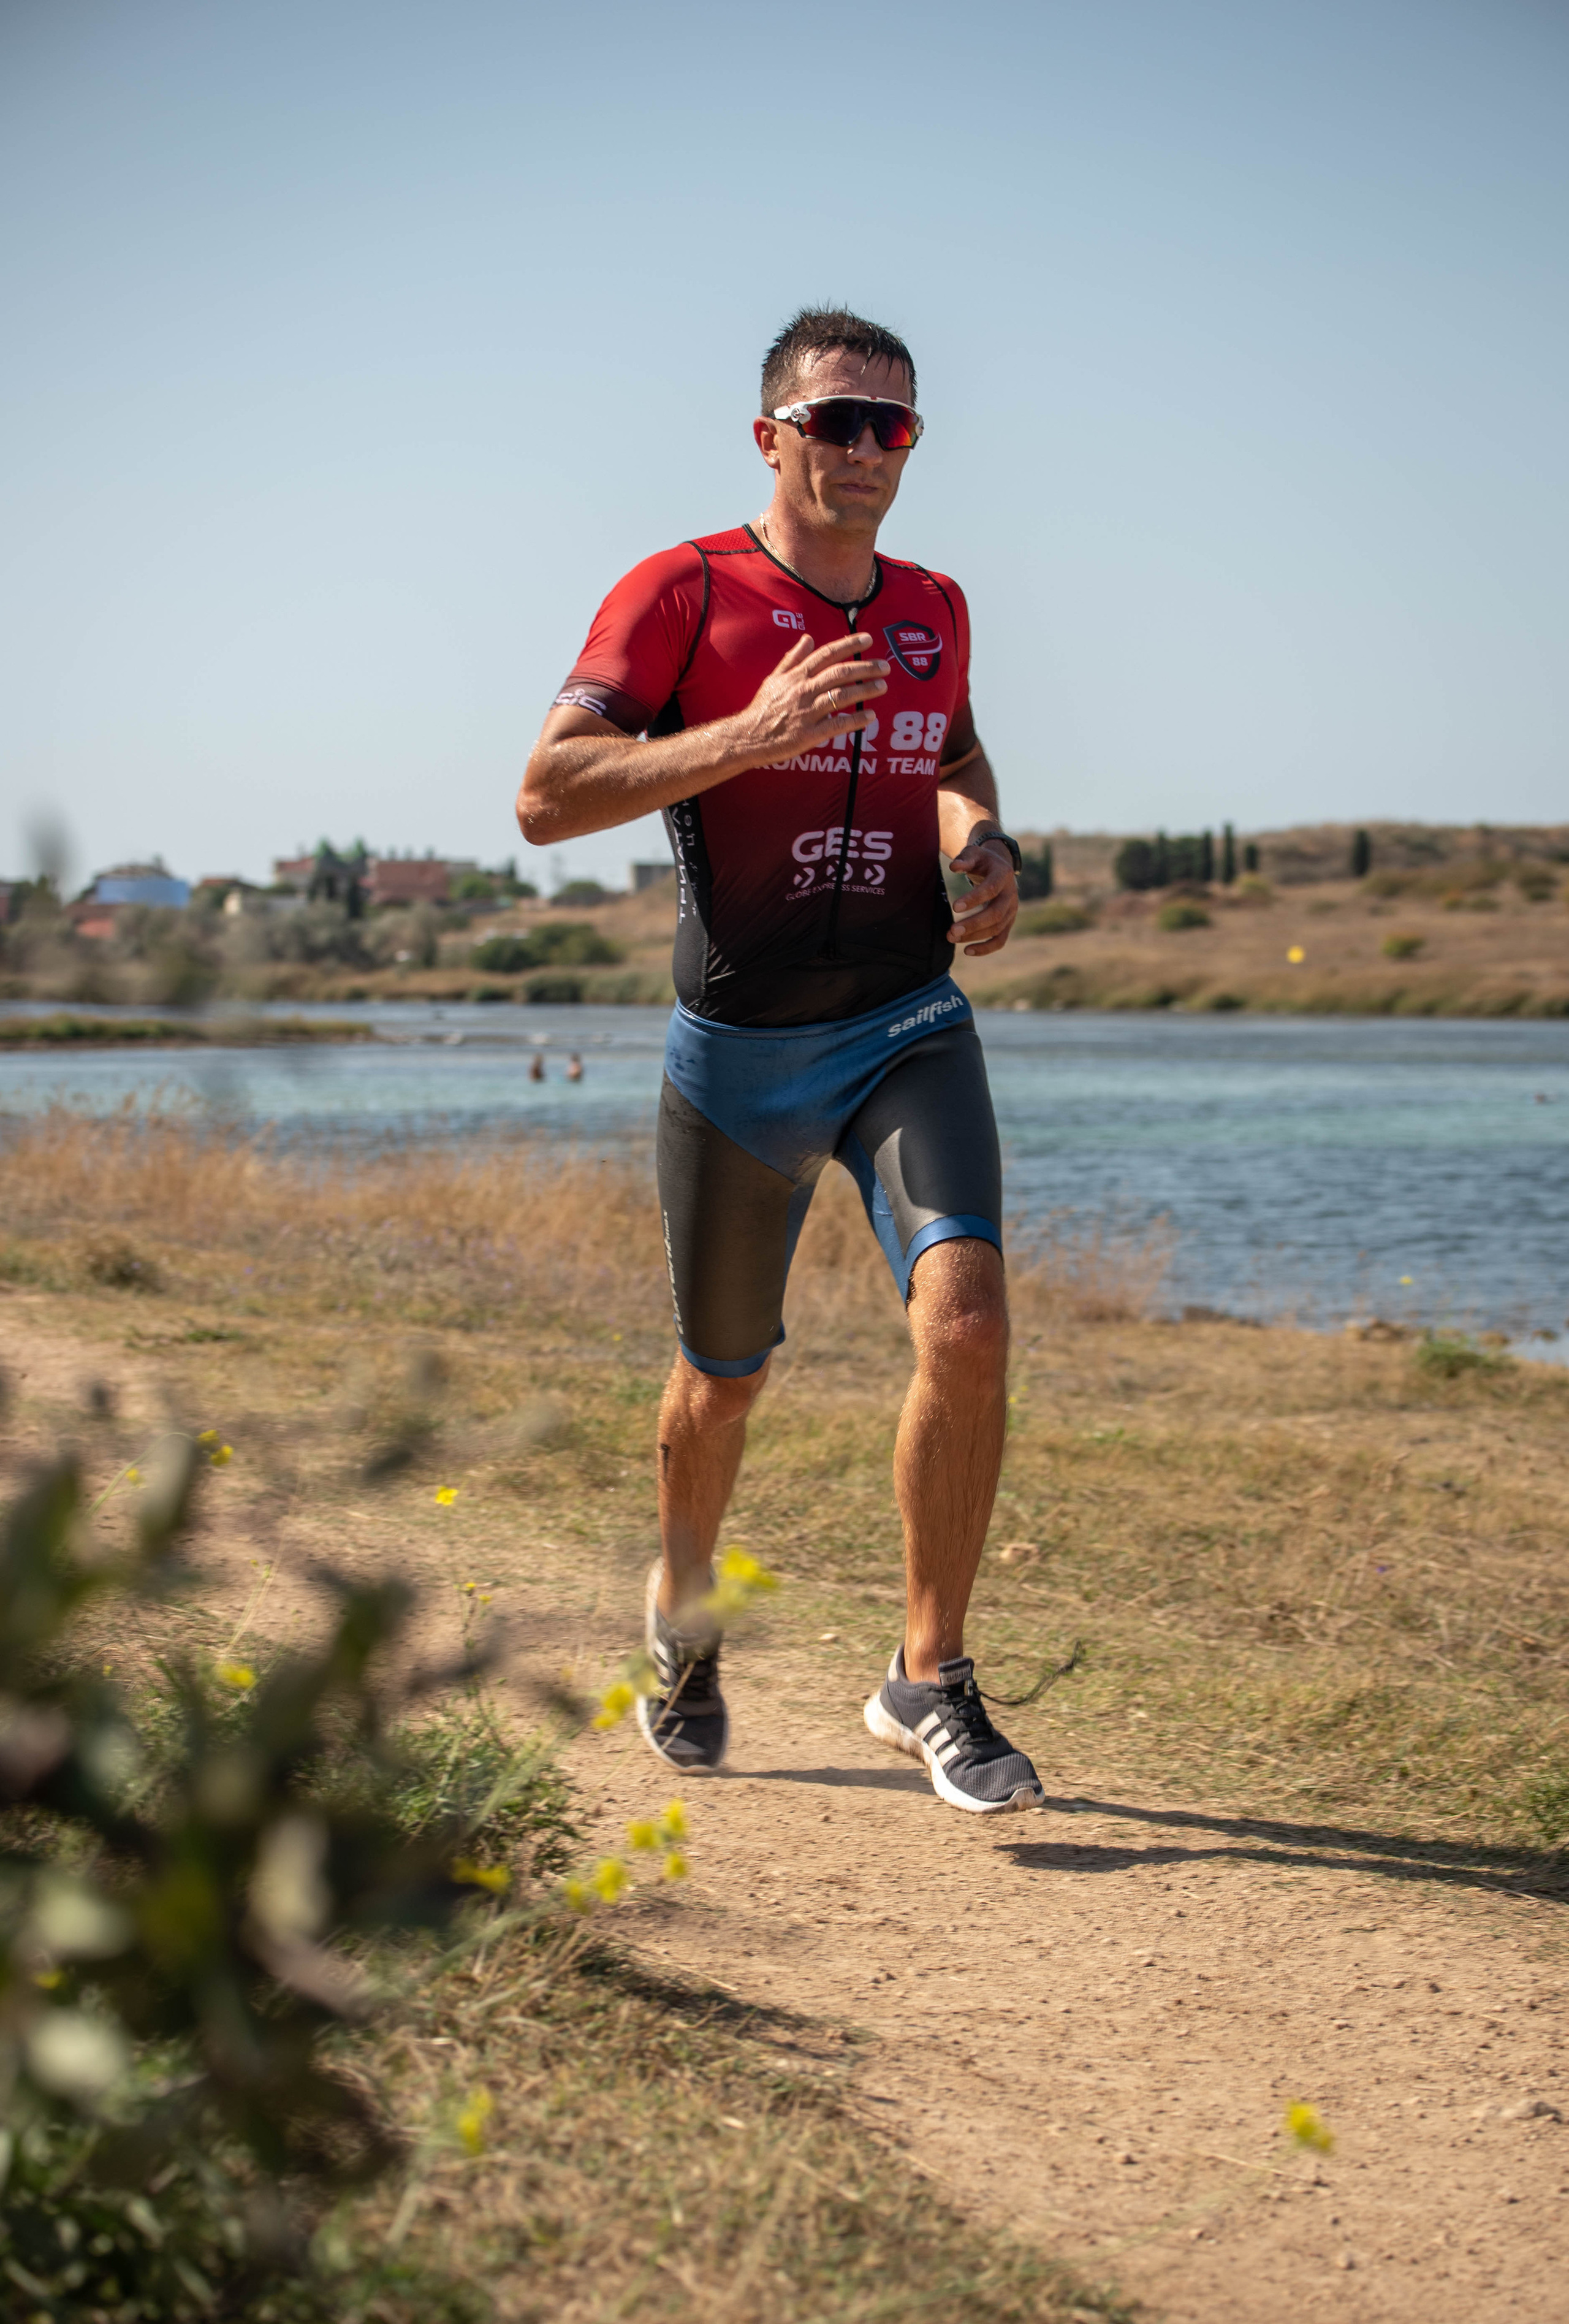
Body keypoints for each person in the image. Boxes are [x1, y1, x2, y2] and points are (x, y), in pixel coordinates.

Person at [518, 308, 1042, 1814]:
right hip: (739, 1056)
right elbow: (546, 795)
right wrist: (743, 738)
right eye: (838, 421)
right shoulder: (681, 592)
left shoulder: (933, 603)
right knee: (719, 1384)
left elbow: (951, 758)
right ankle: (681, 1628)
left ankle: (924, 1678)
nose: (869, 450)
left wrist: (983, 842)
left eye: (896, 426)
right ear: (772, 437)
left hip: (905, 1023)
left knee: (967, 1324)